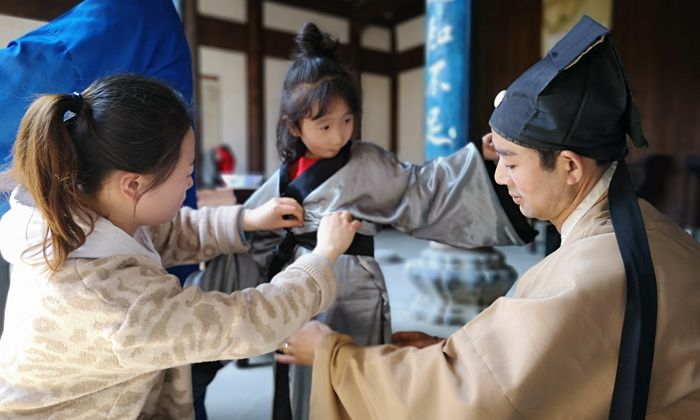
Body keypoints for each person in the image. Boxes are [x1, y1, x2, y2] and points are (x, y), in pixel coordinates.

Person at [276, 16, 700, 420]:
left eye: (511, 162)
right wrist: (450, 348)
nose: (497, 175)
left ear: (570, 167)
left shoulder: (591, 273)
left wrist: (334, 356)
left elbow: (470, 397)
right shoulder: (657, 230)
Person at [210, 23, 536, 420]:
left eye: (347, 121)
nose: (339, 136)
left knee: (351, 371)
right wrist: (248, 228)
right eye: (324, 126)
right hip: (297, 285)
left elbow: (420, 188)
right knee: (301, 375)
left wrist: (477, 162)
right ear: (294, 125)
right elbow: (252, 232)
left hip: (352, 288)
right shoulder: (285, 173)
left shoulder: (366, 161)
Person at [0, 74, 362, 419]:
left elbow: (170, 231)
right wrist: (324, 255)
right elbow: (249, 322)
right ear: (133, 185)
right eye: (186, 173)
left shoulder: (76, 217)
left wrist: (246, 220)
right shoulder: (114, 306)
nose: (190, 184)